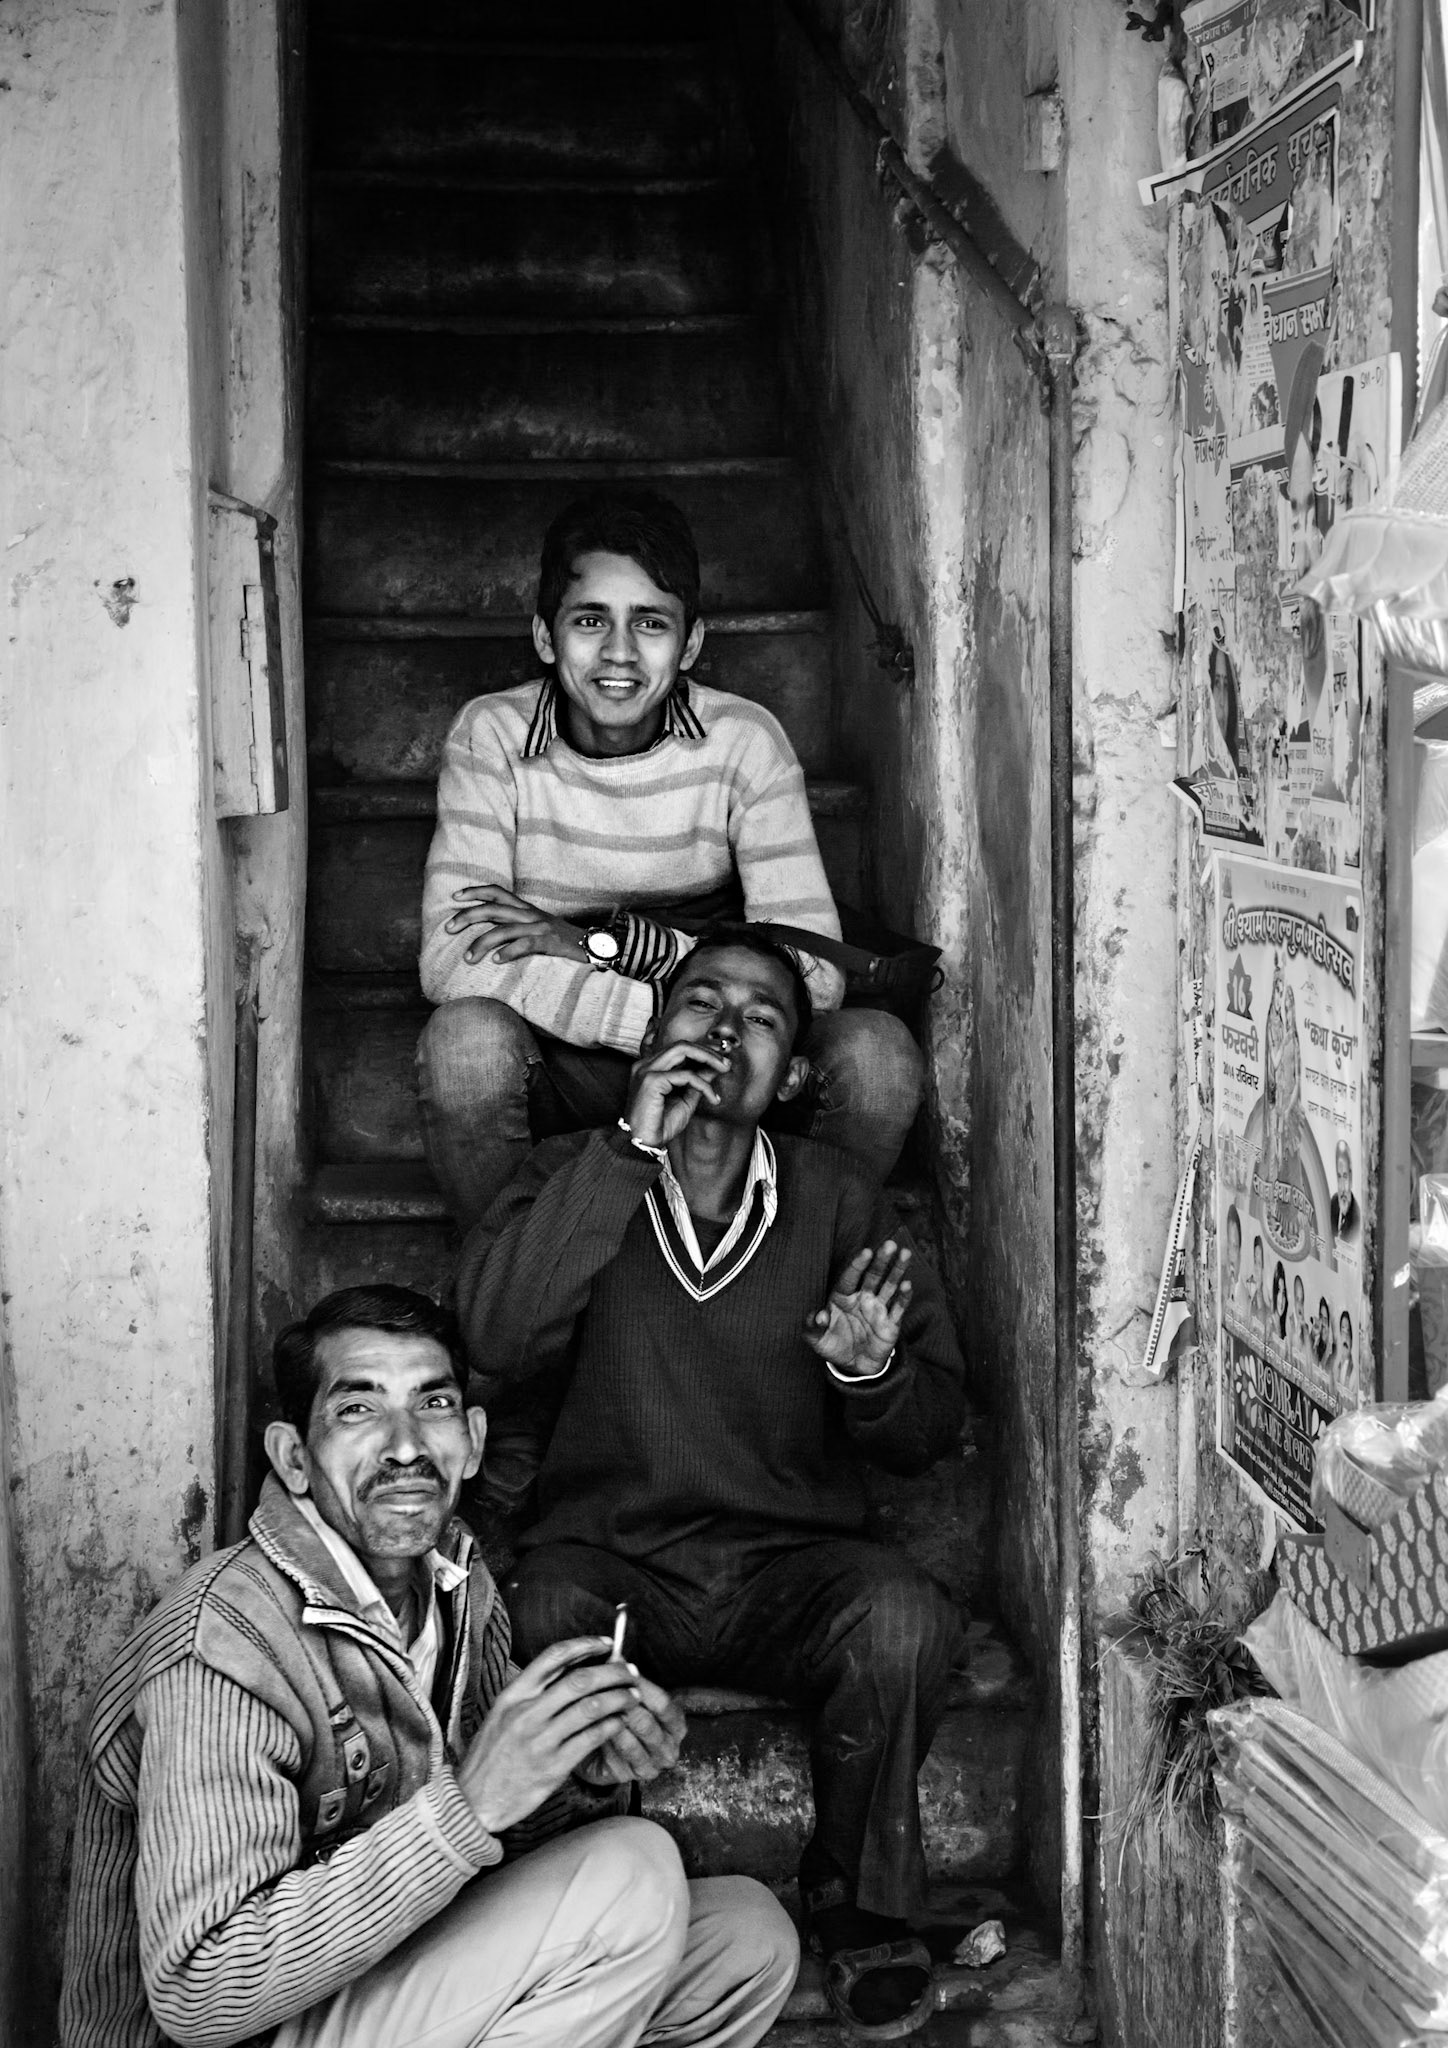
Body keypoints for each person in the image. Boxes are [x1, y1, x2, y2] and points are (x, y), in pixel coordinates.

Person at [456, 925, 968, 2041]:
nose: (723, 1026)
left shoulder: (833, 1196)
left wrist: (867, 1365)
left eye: (760, 1015)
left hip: (787, 1570)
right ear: (649, 1037)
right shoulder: (569, 1170)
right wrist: (624, 1151)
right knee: (535, 1610)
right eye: (697, 1002)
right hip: (613, 1563)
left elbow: (931, 1426)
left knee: (902, 1618)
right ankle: (574, 1906)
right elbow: (492, 1336)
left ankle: (858, 1905)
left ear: (787, 1079)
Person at [59, 1286, 798, 2048]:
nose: (406, 1445)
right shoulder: (225, 1645)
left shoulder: (456, 1584)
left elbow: (501, 1848)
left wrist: (579, 1770)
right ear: (293, 1458)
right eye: (358, 1410)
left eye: (433, 1404)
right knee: (632, 1873)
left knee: (746, 1939)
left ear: (473, 1441)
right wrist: (466, 1807)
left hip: (383, 1981)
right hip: (250, 2029)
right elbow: (201, 1993)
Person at [416, 489, 923, 1228]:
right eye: (590, 620)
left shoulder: (743, 741)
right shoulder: (492, 734)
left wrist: (597, 943)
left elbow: (812, 969)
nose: (619, 654)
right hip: (571, 1060)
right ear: (545, 636)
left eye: (650, 624)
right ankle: (513, 1294)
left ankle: (789, 1278)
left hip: (726, 1053)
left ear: (688, 645)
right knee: (463, 1047)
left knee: (877, 1057)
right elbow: (455, 958)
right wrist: (658, 1022)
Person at [1331, 1140, 1361, 1245]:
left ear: (1351, 1177)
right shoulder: (1333, 1204)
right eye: (1339, 1176)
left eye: (1345, 1176)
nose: (1342, 1187)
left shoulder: (1357, 1220)